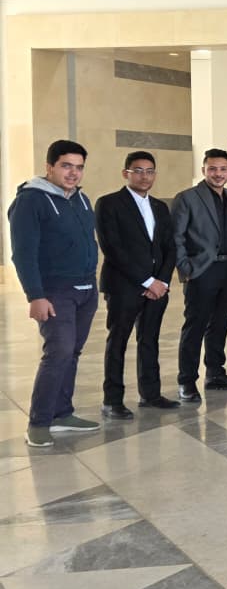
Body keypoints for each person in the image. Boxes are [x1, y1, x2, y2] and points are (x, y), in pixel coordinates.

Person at [10, 140, 101, 446]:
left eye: (79, 167)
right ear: (49, 167)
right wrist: (35, 295)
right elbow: (23, 253)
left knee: (72, 352)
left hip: (86, 288)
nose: (73, 173)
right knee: (58, 352)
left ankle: (62, 413)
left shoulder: (81, 198)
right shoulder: (30, 201)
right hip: (55, 290)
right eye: (66, 166)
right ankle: (39, 423)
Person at [95, 150, 180, 419]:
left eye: (150, 171)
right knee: (118, 342)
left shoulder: (160, 207)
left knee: (149, 340)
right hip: (124, 286)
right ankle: (112, 400)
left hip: (157, 288)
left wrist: (162, 280)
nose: (145, 176)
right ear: (126, 173)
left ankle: (150, 394)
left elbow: (170, 247)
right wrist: (147, 281)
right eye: (138, 171)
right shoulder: (108, 204)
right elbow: (112, 248)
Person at [172, 148, 227, 403]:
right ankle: (186, 381)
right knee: (195, 326)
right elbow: (176, 237)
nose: (218, 174)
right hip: (203, 271)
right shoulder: (187, 198)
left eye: (223, 169)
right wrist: (186, 269)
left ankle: (216, 373)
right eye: (212, 169)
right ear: (203, 170)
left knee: (220, 324)